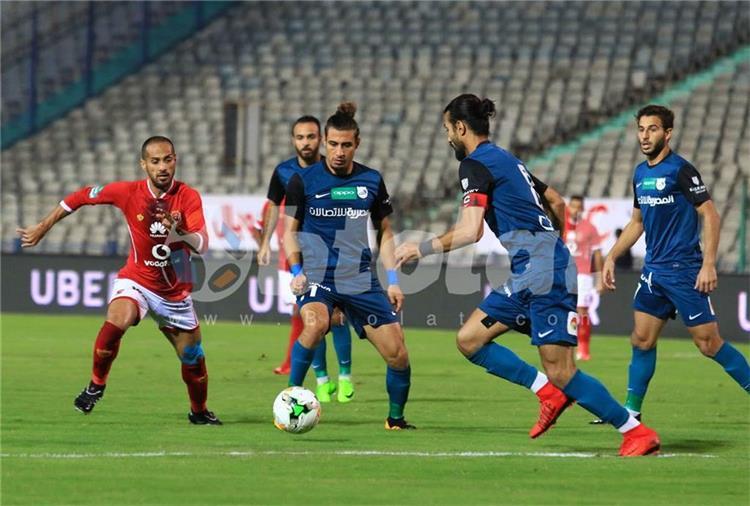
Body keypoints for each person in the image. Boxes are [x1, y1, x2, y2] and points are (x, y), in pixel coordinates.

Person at [395, 94, 660, 455]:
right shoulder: (508, 160)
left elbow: (471, 231)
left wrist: (421, 248)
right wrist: (554, 246)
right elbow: (557, 202)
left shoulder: (474, 165)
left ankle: (636, 432)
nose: (447, 138)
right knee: (470, 339)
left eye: (447, 130)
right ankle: (548, 394)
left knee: (563, 371)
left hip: (543, 272)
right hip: (531, 272)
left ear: (460, 128)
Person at [16, 136, 221, 424]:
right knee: (116, 322)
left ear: (175, 160)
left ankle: (198, 412)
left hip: (174, 293)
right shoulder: (128, 192)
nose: (162, 167)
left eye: (167, 159)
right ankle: (96, 384)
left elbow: (202, 244)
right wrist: (43, 226)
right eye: (155, 161)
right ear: (144, 164)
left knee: (193, 360)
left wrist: (180, 232)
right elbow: (81, 196)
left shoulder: (187, 196)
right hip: (137, 281)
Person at [598, 104, 749, 420]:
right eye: (641, 129)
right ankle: (632, 413)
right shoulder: (640, 173)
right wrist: (611, 256)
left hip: (683, 271)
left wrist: (708, 264)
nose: (645, 136)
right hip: (653, 272)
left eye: (652, 129)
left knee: (708, 344)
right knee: (641, 340)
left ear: (668, 133)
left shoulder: (681, 170)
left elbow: (710, 215)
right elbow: (637, 222)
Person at [283, 102, 414, 429]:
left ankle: (396, 420)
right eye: (332, 144)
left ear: (357, 144)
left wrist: (393, 280)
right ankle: (289, 400)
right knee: (315, 324)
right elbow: (289, 233)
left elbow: (385, 232)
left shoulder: (371, 180)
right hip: (318, 277)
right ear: (324, 142)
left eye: (345, 145)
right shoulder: (303, 180)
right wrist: (297, 272)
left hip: (359, 279)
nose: (338, 152)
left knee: (398, 354)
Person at [256, 116, 354, 403]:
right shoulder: (283, 172)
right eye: (300, 137)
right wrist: (265, 243)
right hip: (300, 256)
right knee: (312, 319)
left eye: (311, 136)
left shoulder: (332, 168)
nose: (306, 142)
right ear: (293, 140)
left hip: (334, 256)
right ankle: (322, 379)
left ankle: (344, 376)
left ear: (320, 139)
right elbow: (273, 206)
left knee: (338, 317)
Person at [564, 195, 604, 361]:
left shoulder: (590, 227)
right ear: (568, 208)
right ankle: (567, 346)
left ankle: (584, 348)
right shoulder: (561, 225)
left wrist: (599, 278)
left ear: (582, 209)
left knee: (582, 311)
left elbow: (597, 254)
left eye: (578, 207)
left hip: (582, 275)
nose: (575, 210)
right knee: (565, 311)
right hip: (563, 273)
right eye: (572, 206)